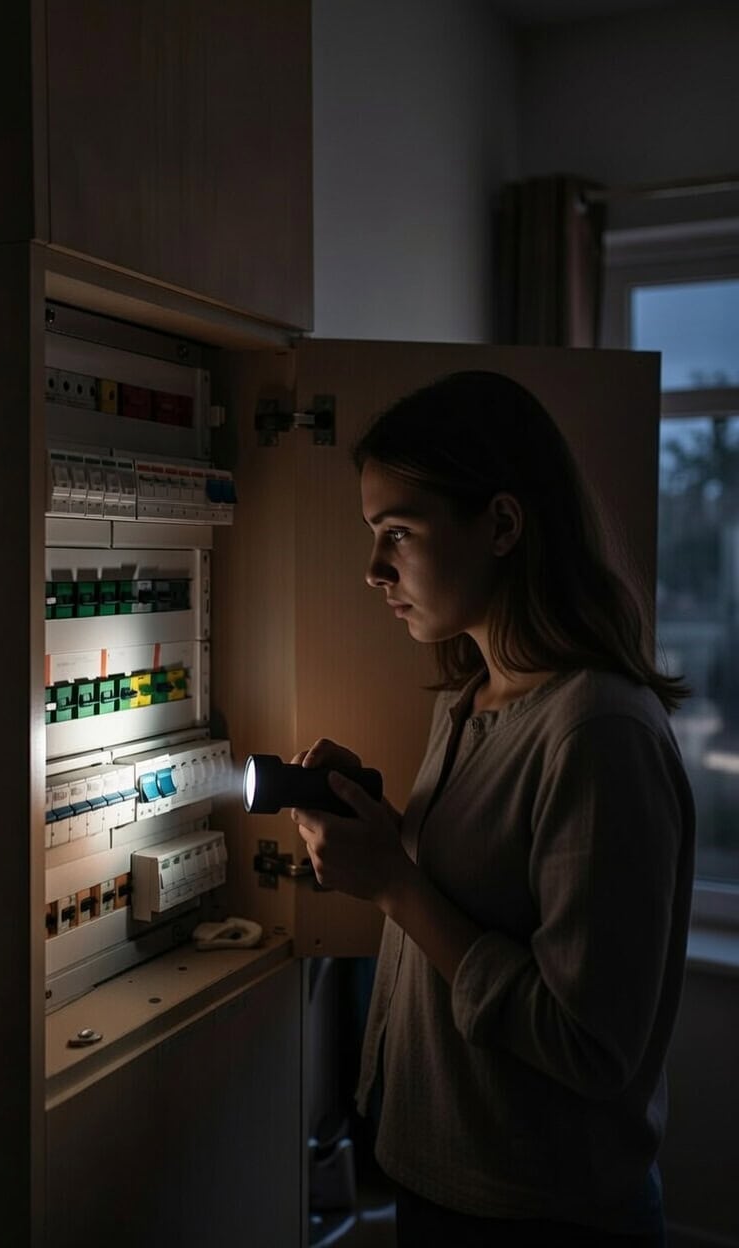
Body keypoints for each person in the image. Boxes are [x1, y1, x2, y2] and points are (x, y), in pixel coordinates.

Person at [291, 370, 695, 1248]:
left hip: (542, 1216)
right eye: (373, 535)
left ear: (503, 524)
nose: (373, 570)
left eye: (397, 532)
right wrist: (384, 835)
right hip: (440, 1185)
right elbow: (482, 901)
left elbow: (588, 1043)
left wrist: (397, 885)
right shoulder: (472, 701)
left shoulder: (598, 732)